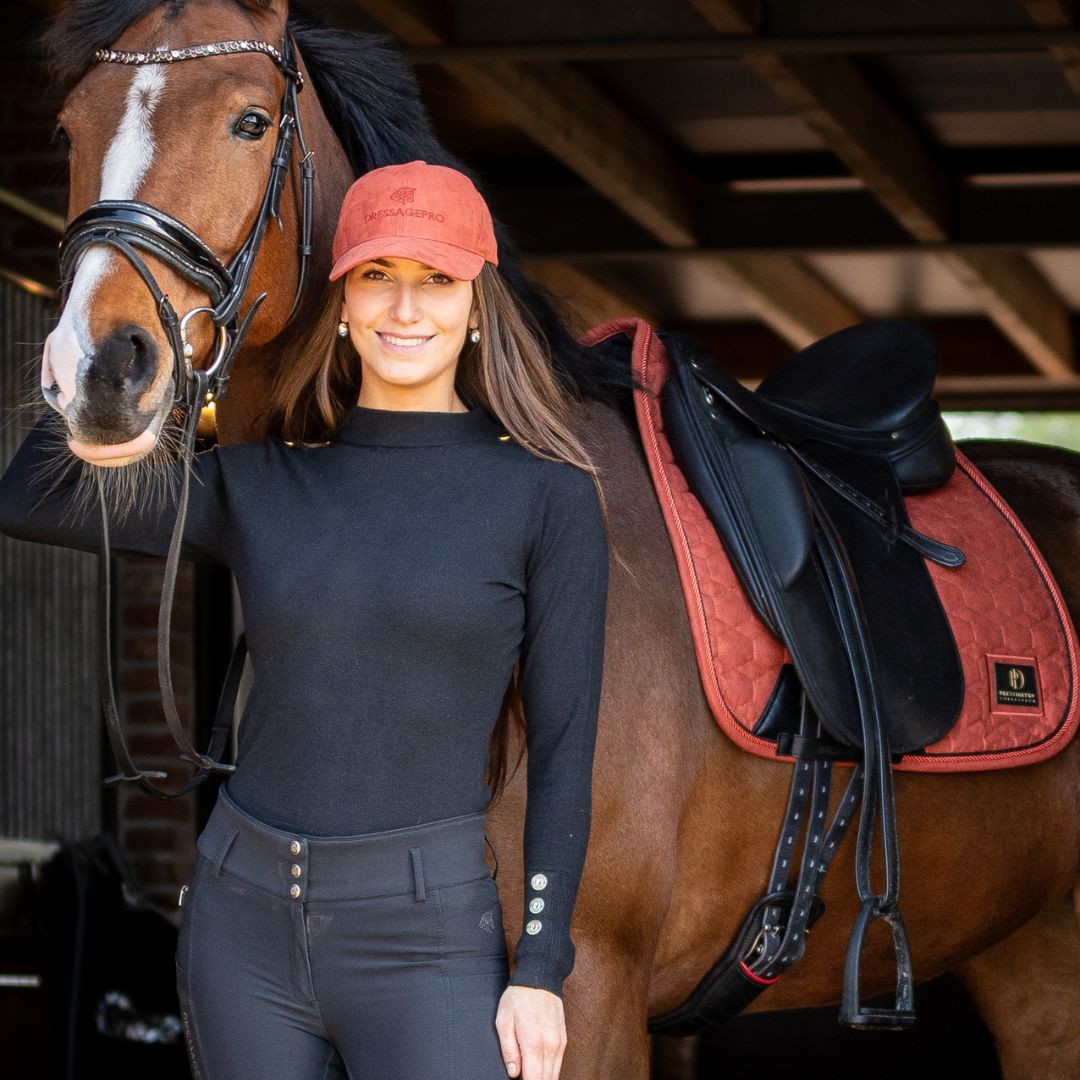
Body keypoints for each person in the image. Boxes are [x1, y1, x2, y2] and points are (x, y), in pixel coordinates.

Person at [0, 160, 609, 1080]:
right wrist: (87, 338)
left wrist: (540, 969)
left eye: (436, 280)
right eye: (377, 276)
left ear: (477, 304)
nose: (405, 310)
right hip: (240, 922)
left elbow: (566, 750)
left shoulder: (546, 500)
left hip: (429, 939)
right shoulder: (264, 482)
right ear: (343, 300)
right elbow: (32, 498)